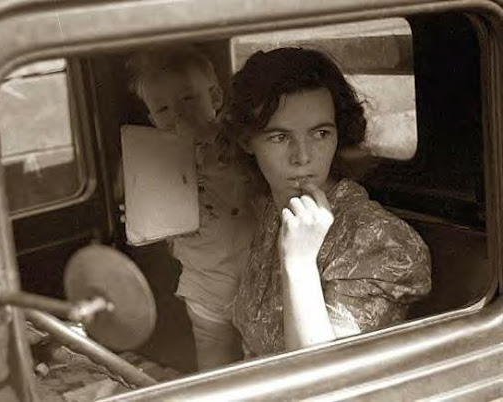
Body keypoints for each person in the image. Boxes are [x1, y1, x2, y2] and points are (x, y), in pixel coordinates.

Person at [222, 47, 432, 358]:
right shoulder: (273, 209)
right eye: (279, 137)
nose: (302, 156)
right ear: (246, 141)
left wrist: (300, 263)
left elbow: (325, 383)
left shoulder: (379, 241)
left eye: (320, 133)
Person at [125, 46, 257, 369]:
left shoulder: (239, 145)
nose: (178, 116)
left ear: (214, 98)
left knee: (263, 360)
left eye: (188, 100)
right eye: (163, 109)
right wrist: (141, 216)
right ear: (151, 119)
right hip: (203, 287)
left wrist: (208, 148)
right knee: (214, 366)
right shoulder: (158, 161)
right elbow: (161, 225)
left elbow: (245, 192)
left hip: (257, 281)